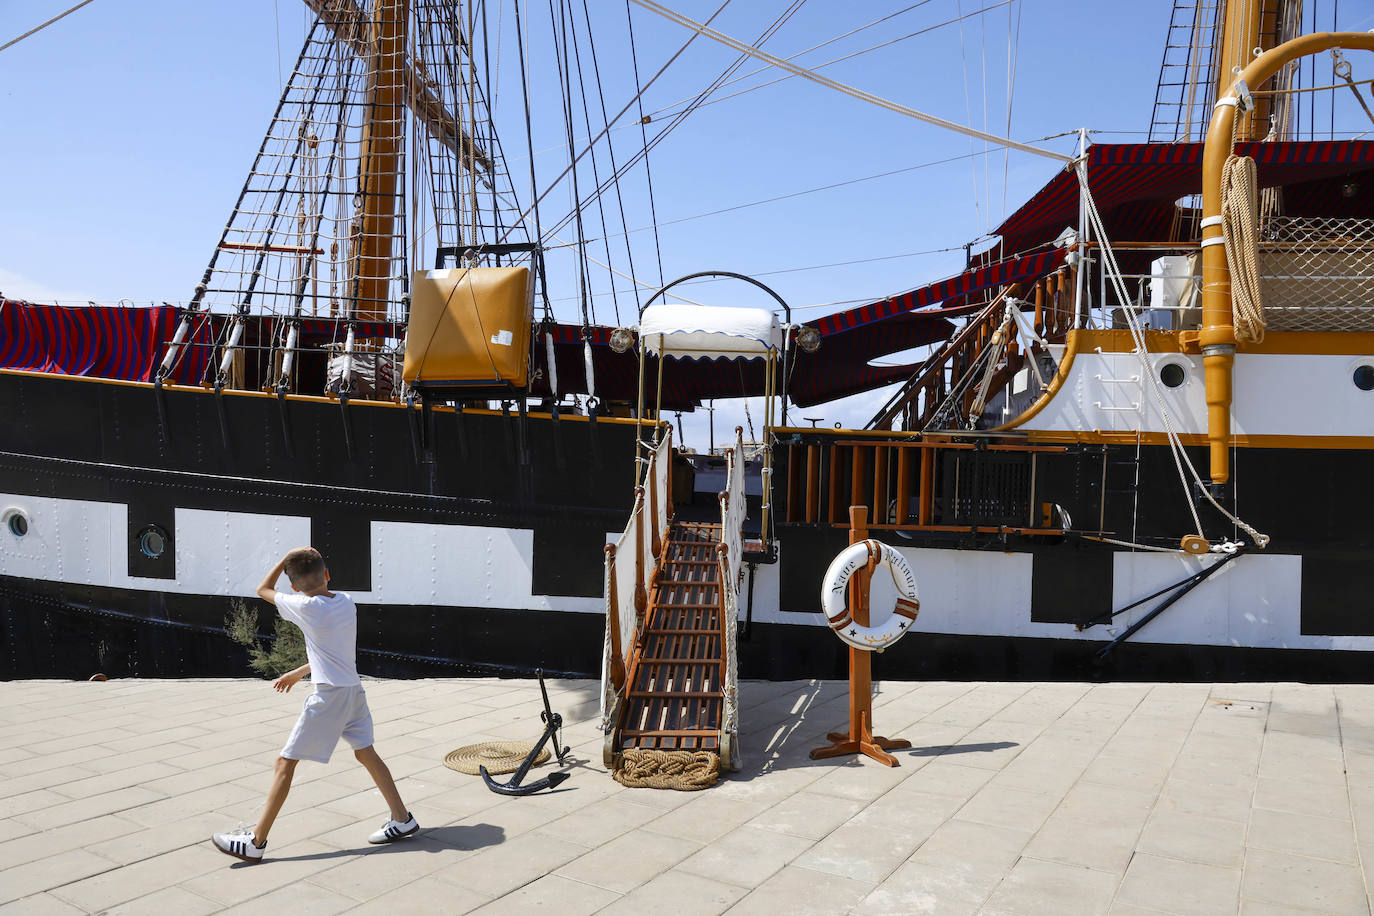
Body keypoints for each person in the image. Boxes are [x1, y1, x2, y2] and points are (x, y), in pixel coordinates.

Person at [211, 547, 418, 863]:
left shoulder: (304, 606)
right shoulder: (347, 602)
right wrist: (298, 672)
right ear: (327, 574)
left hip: (329, 696)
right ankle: (402, 819)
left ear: (294, 586)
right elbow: (331, 650)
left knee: (285, 763)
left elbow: (262, 590)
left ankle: (255, 842)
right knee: (366, 753)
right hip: (353, 691)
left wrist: (285, 559)